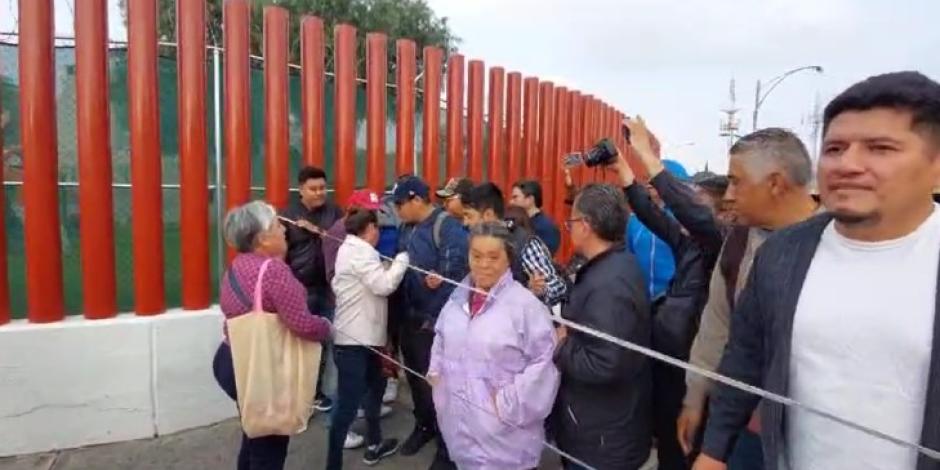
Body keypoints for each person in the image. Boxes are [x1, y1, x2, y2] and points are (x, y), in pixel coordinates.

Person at [693, 71, 940, 470]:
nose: (848, 164)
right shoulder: (783, 255)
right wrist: (713, 450)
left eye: (879, 148)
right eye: (835, 148)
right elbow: (746, 357)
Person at [677, 127, 819, 469]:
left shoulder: (837, 246)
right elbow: (718, 325)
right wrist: (695, 396)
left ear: (776, 183)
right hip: (745, 430)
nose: (728, 194)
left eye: (736, 181)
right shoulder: (739, 245)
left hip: (814, 438)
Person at [615, 118, 725, 470]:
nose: (678, 210)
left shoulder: (721, 242)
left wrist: (646, 153)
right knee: (667, 439)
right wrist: (623, 170)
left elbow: (688, 212)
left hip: (694, 364)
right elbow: (650, 215)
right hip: (669, 355)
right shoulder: (688, 244)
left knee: (685, 446)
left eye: (697, 200)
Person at [428, 222, 561, 469]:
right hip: (459, 431)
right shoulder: (457, 298)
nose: (483, 264)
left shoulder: (525, 307)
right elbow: (441, 338)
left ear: (508, 259)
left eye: (493, 257)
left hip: (507, 439)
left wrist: (505, 406)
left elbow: (544, 363)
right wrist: (437, 379)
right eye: (476, 256)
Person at [215, 201, 333, 470]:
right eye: (277, 226)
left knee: (254, 432)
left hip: (231, 361)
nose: (284, 230)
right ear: (262, 239)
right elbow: (302, 324)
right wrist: (327, 326)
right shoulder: (274, 271)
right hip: (259, 369)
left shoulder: (235, 267)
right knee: (269, 450)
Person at [552, 183, 653, 469]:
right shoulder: (616, 265)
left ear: (585, 225)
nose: (569, 228)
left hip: (602, 438)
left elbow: (605, 363)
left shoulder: (608, 283)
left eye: (571, 221)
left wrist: (561, 345)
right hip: (611, 425)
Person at [392, 175, 469, 469]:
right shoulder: (406, 228)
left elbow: (453, 281)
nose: (397, 210)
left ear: (417, 199)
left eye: (400, 204)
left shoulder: (447, 227)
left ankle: (447, 443)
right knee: (415, 378)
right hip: (408, 319)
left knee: (440, 385)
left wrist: (433, 320)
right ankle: (423, 425)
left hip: (435, 324)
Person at [327, 208, 409, 470]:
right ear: (370, 228)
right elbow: (383, 285)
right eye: (378, 229)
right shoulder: (361, 251)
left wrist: (386, 266)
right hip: (355, 340)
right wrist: (402, 261)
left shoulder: (349, 249)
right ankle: (333, 464)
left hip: (366, 337)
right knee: (348, 406)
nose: (379, 234)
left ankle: (374, 446)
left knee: (374, 392)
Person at [280, 166, 345, 412]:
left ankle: (328, 395)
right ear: (301, 190)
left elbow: (343, 242)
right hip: (301, 291)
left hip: (329, 289)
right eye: (313, 189)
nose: (319, 193)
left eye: (322, 188)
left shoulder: (335, 212)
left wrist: (318, 232)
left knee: (332, 342)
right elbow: (280, 255)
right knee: (302, 345)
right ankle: (303, 399)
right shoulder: (286, 216)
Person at [464, 183, 568, 306]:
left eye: (469, 216)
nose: (465, 223)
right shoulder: (474, 242)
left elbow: (558, 286)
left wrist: (539, 290)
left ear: (488, 215)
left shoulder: (523, 242)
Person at [626, 159, 690, 301]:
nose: (649, 182)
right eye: (647, 177)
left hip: (676, 303)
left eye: (654, 178)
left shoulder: (686, 221)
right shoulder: (634, 221)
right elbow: (628, 259)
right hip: (641, 302)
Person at [511, 180, 562, 255]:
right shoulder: (516, 223)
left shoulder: (547, 227)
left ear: (530, 199)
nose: (511, 202)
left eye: (515, 197)